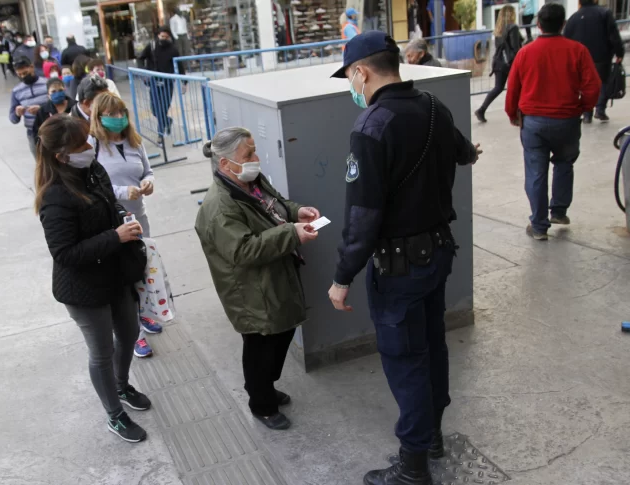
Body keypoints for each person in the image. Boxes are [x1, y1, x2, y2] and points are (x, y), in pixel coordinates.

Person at [328, 31, 479, 485]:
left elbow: (362, 217)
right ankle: (431, 435)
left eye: (351, 77)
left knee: (405, 359)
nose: (352, 86)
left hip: (398, 268)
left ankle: (413, 467)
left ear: (362, 72)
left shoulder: (371, 126)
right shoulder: (434, 107)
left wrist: (341, 277)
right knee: (432, 346)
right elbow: (464, 153)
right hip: (437, 255)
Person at [195, 127, 321, 431]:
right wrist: (290, 233)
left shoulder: (249, 180)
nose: (256, 158)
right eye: (248, 154)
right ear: (225, 164)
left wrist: (295, 212)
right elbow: (243, 249)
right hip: (249, 290)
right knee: (261, 344)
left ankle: (264, 386)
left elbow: (274, 206)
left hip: (272, 277)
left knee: (281, 332)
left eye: (254, 150)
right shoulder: (220, 207)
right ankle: (261, 403)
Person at [35, 114, 151, 443]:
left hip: (115, 273)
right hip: (84, 290)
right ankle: (114, 415)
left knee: (128, 333)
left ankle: (121, 385)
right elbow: (65, 254)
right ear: (61, 156)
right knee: (100, 352)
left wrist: (122, 218)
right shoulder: (55, 197)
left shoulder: (92, 170)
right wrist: (115, 237)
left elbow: (109, 204)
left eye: (88, 140)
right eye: (82, 144)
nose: (90, 147)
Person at [505, 3, 601, 240]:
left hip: (534, 123)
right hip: (567, 120)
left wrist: (512, 114)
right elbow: (593, 85)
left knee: (536, 172)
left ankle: (538, 226)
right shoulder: (577, 51)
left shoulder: (525, 52)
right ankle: (558, 210)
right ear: (563, 24)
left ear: (538, 25)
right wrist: (584, 107)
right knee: (564, 164)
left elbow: (513, 88)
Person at [89, 92, 161, 355]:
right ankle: (135, 335)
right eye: (112, 114)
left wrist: (148, 182)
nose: (118, 118)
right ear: (99, 117)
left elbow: (148, 171)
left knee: (142, 267)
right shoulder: (92, 145)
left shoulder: (134, 141)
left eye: (121, 113)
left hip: (138, 216)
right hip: (112, 223)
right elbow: (93, 186)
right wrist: (121, 192)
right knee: (125, 276)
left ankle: (144, 315)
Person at [564, 0, 624, 123]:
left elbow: (566, 38)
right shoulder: (604, 13)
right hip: (602, 55)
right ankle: (600, 109)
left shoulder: (573, 18)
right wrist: (619, 52)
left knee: (585, 84)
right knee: (603, 82)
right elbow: (613, 34)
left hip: (580, 58)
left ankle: (587, 113)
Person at [137, 28, 187, 142]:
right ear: (158, 35)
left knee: (163, 108)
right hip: (154, 82)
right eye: (162, 36)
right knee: (155, 110)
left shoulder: (173, 49)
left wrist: (185, 82)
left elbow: (180, 66)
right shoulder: (152, 46)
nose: (164, 39)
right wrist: (144, 72)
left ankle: (160, 133)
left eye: (166, 37)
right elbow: (140, 58)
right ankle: (167, 121)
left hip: (168, 82)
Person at [475, 5, 522, 123]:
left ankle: (481, 109)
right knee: (519, 87)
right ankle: (519, 113)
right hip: (510, 63)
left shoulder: (498, 29)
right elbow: (515, 48)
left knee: (498, 87)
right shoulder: (513, 28)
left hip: (499, 62)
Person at [9, 56, 49, 155]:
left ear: (31, 67)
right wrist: (17, 113)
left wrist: (41, 109)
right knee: (40, 163)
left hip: (50, 128)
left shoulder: (47, 83)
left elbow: (60, 105)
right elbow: (13, 119)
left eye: (25, 73)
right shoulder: (16, 91)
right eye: (19, 74)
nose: (23, 76)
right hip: (32, 132)